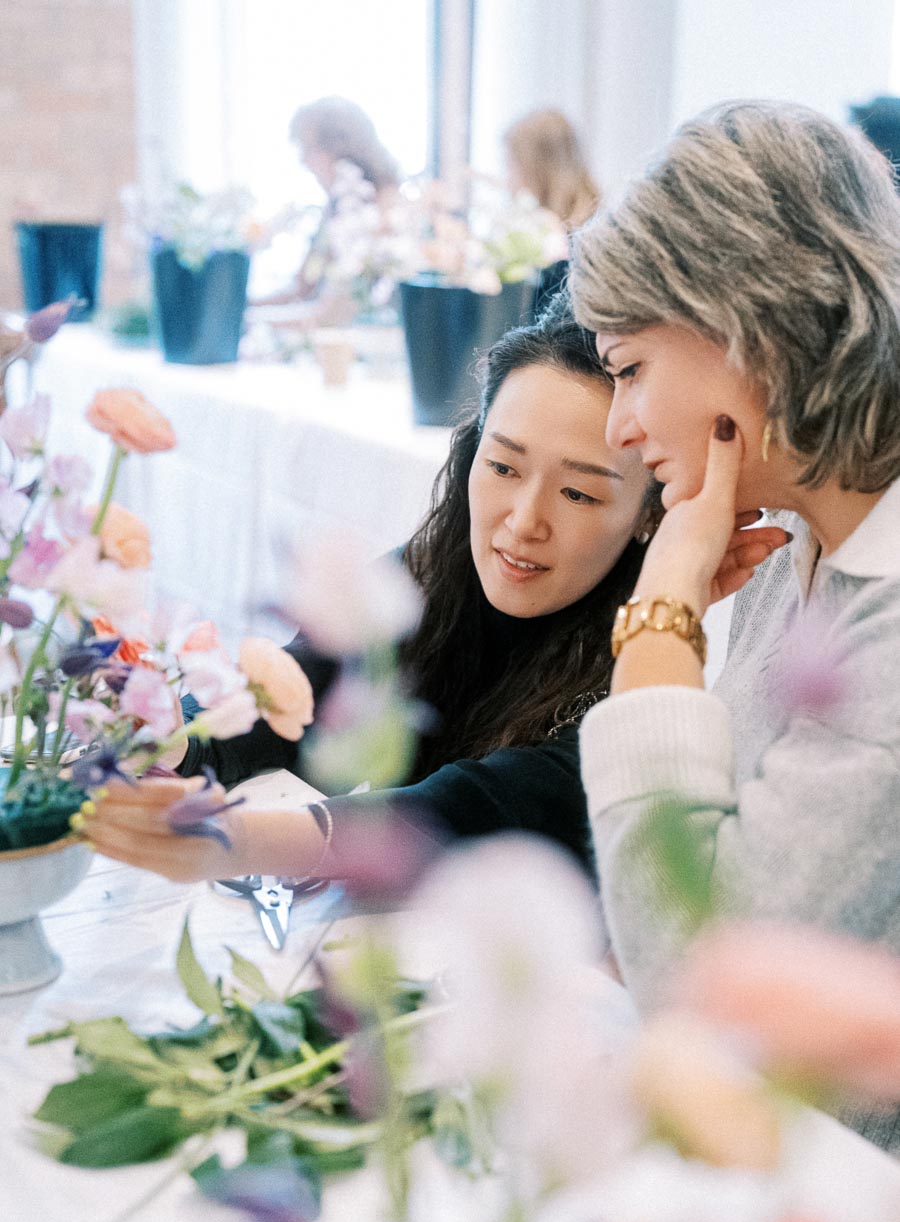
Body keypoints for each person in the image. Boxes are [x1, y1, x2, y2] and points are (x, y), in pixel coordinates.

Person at [570, 99, 900, 1153]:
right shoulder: (790, 549)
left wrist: (659, 618)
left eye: (628, 368)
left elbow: (701, 983)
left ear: (746, 326)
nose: (621, 426)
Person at [80, 301, 670, 883]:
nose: (523, 523)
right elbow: (291, 693)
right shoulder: (432, 573)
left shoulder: (651, 663)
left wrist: (234, 840)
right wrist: (165, 736)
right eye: (503, 468)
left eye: (578, 495)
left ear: (649, 513)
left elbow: (467, 811)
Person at [262, 96, 400, 308]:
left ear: (339, 148)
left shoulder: (385, 212)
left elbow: (334, 312)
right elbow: (302, 288)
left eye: (309, 149)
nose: (303, 161)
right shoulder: (336, 208)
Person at [503, 108, 601, 320]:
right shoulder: (529, 227)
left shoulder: (588, 238)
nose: (508, 180)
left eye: (512, 165)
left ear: (539, 169)